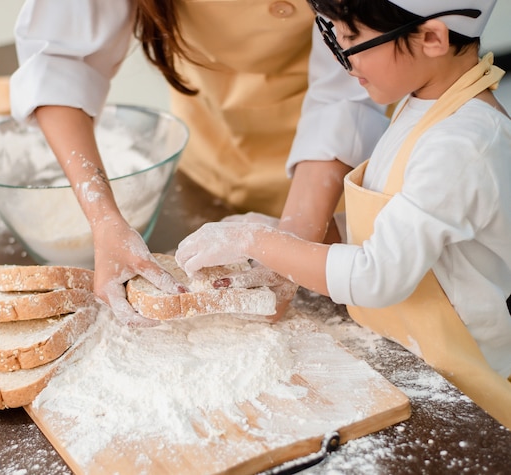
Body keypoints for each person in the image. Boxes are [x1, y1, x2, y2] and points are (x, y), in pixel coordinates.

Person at [175, 0, 511, 428]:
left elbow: (377, 276)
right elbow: (403, 230)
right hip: (414, 356)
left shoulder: (461, 144)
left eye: (350, 39)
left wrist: (256, 242)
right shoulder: (425, 101)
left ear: (431, 38)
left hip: (465, 386)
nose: (342, 61)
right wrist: (282, 235)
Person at [9, 0, 388, 325]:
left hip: (335, 163)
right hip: (210, 143)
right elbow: (60, 58)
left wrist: (293, 244)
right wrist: (104, 219)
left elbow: (347, 91)